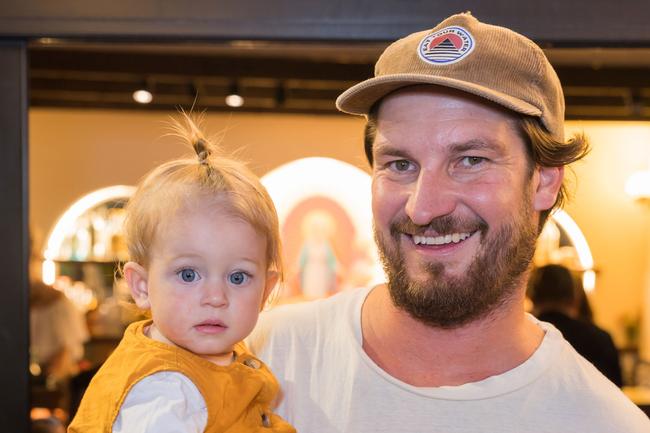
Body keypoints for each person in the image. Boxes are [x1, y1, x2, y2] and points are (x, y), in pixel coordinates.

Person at [248, 12, 650, 432]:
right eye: (400, 164)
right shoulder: (255, 358)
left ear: (544, 182)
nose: (423, 208)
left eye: (471, 160)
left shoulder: (602, 422)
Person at [68, 115, 295, 433]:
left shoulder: (210, 358)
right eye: (188, 275)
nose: (215, 298)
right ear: (142, 286)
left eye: (238, 277)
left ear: (266, 291)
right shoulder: (163, 390)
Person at [529, 264, 623, 386]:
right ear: (575, 297)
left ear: (532, 297)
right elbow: (616, 391)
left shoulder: (521, 338)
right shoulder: (600, 339)